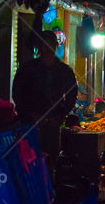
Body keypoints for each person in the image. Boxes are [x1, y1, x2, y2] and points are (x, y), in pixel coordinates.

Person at [12, 30, 79, 167]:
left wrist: (60, 116)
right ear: (38, 47)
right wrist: (31, 115)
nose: (46, 49)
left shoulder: (64, 71)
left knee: (51, 160)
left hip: (53, 124)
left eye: (50, 45)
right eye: (43, 45)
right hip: (30, 123)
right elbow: (18, 94)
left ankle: (51, 186)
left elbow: (71, 96)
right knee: (29, 160)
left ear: (55, 46)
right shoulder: (27, 69)